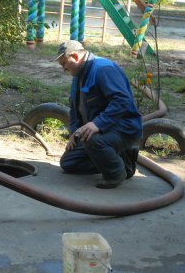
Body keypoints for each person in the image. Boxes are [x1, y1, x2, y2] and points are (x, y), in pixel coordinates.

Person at [54, 40, 141, 189]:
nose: (64, 69)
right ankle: (121, 160)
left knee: (93, 140)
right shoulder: (78, 75)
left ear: (75, 56)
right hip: (98, 130)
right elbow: (75, 109)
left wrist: (98, 124)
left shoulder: (104, 69)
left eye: (64, 64)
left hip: (123, 128)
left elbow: (122, 101)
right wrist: (74, 132)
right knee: (69, 163)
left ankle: (115, 174)